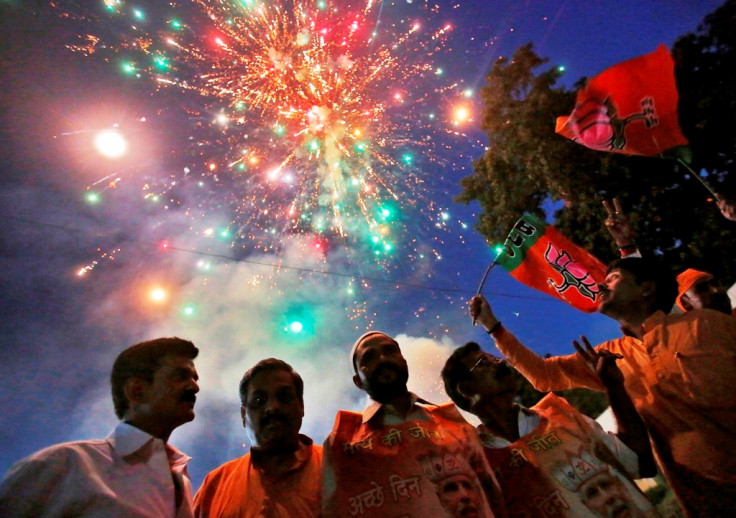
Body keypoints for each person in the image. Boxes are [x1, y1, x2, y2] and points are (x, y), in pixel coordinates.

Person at [471, 256, 736, 516]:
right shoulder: (609, 359)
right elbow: (544, 375)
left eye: (614, 279)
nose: (601, 286)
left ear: (646, 288)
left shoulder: (709, 325)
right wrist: (493, 327)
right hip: (705, 499)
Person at [442, 336, 660, 518]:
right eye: (483, 363)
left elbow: (641, 463)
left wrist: (614, 387)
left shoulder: (561, 414)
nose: (500, 363)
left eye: (495, 357)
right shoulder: (478, 467)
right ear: (467, 390)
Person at [0, 337, 200, 517]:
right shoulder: (64, 465)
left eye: (194, 378)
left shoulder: (181, 482)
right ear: (136, 391)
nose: (194, 387)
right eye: (180, 376)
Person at [322, 331, 505, 518]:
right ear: (358, 381)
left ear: (404, 362)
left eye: (390, 351)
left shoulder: (452, 422)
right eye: (369, 357)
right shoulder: (343, 443)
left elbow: (494, 494)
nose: (383, 359)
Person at [193, 358, 322, 518]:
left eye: (283, 397)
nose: (272, 407)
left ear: (301, 406)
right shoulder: (216, 485)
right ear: (243, 415)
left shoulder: (336, 468)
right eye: (259, 400)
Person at [604, 198, 733, 315]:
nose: (716, 290)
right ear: (686, 303)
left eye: (715, 283)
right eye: (702, 289)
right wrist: (625, 244)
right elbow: (641, 291)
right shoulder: (691, 338)